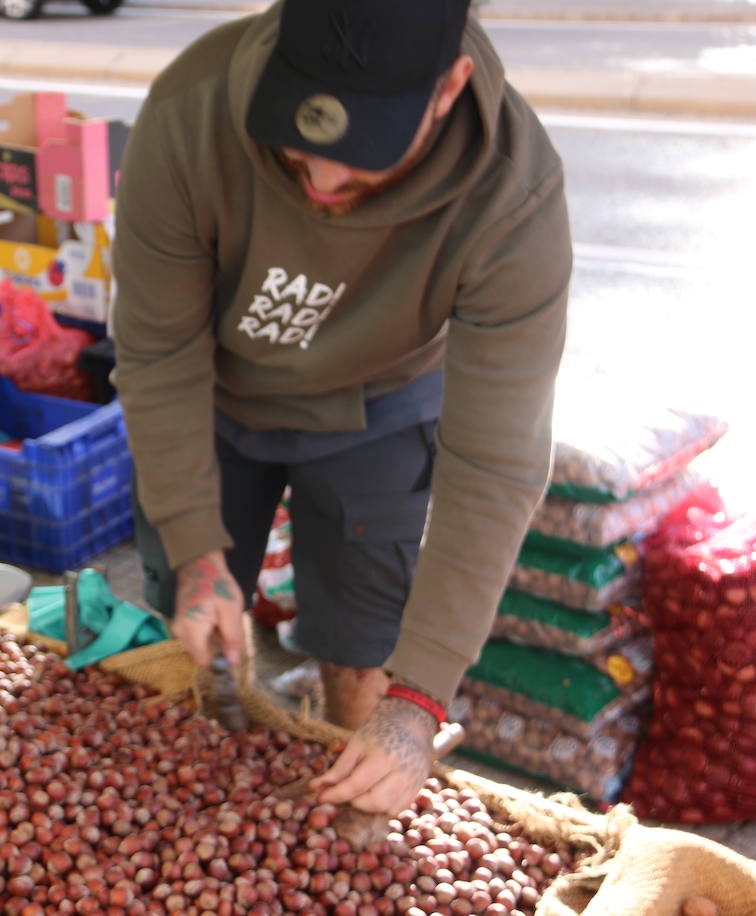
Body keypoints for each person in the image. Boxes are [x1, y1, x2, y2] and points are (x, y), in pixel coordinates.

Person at [110, 0, 571, 815]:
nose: (321, 183)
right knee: (188, 634)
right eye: (301, 139)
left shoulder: (514, 199)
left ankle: (355, 815)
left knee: (367, 656)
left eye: (361, 154)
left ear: (448, 86)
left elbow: (495, 461)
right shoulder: (192, 109)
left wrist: (421, 697)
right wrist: (196, 549)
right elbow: (158, 352)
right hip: (210, 398)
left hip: (381, 404)